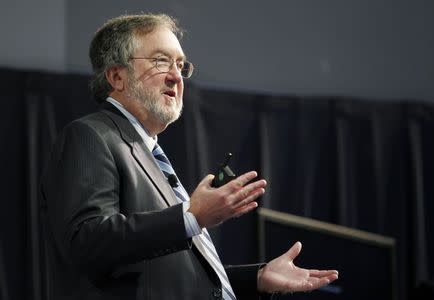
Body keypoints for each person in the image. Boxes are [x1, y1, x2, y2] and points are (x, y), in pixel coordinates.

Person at [40, 13, 338, 300]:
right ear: (117, 76)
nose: (175, 77)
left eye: (181, 66)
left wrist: (257, 279)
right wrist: (191, 217)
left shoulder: (148, 153)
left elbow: (167, 280)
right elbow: (86, 241)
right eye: (160, 61)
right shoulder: (91, 136)